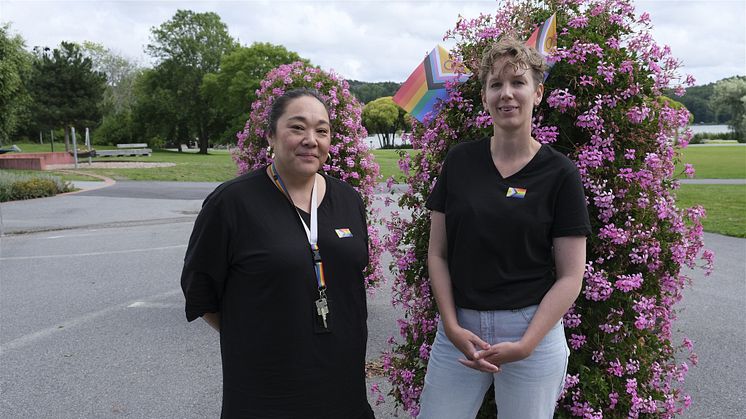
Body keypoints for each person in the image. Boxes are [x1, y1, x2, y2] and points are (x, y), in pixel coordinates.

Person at [417, 38, 591, 419]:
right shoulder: (460, 160)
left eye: (517, 83)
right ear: (484, 97)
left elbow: (570, 276)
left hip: (532, 331)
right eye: (495, 85)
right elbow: (438, 253)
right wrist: (450, 324)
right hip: (459, 330)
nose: (506, 94)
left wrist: (527, 344)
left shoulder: (560, 173)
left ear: (538, 92)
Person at [181, 88, 375, 419]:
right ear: (271, 135)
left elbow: (351, 281)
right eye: (297, 127)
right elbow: (201, 293)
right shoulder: (232, 203)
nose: (311, 139)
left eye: (322, 130)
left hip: (342, 385)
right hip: (266, 389)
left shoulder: (348, 199)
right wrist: (256, 334)